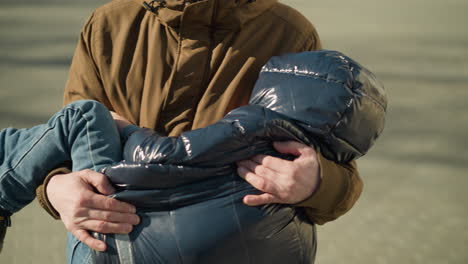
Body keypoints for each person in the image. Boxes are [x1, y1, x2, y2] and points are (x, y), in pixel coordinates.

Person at [19, 0, 363, 261]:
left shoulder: (289, 33)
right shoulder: (108, 25)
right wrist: (55, 189)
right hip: (118, 250)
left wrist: (315, 183)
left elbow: (340, 174)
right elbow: (61, 139)